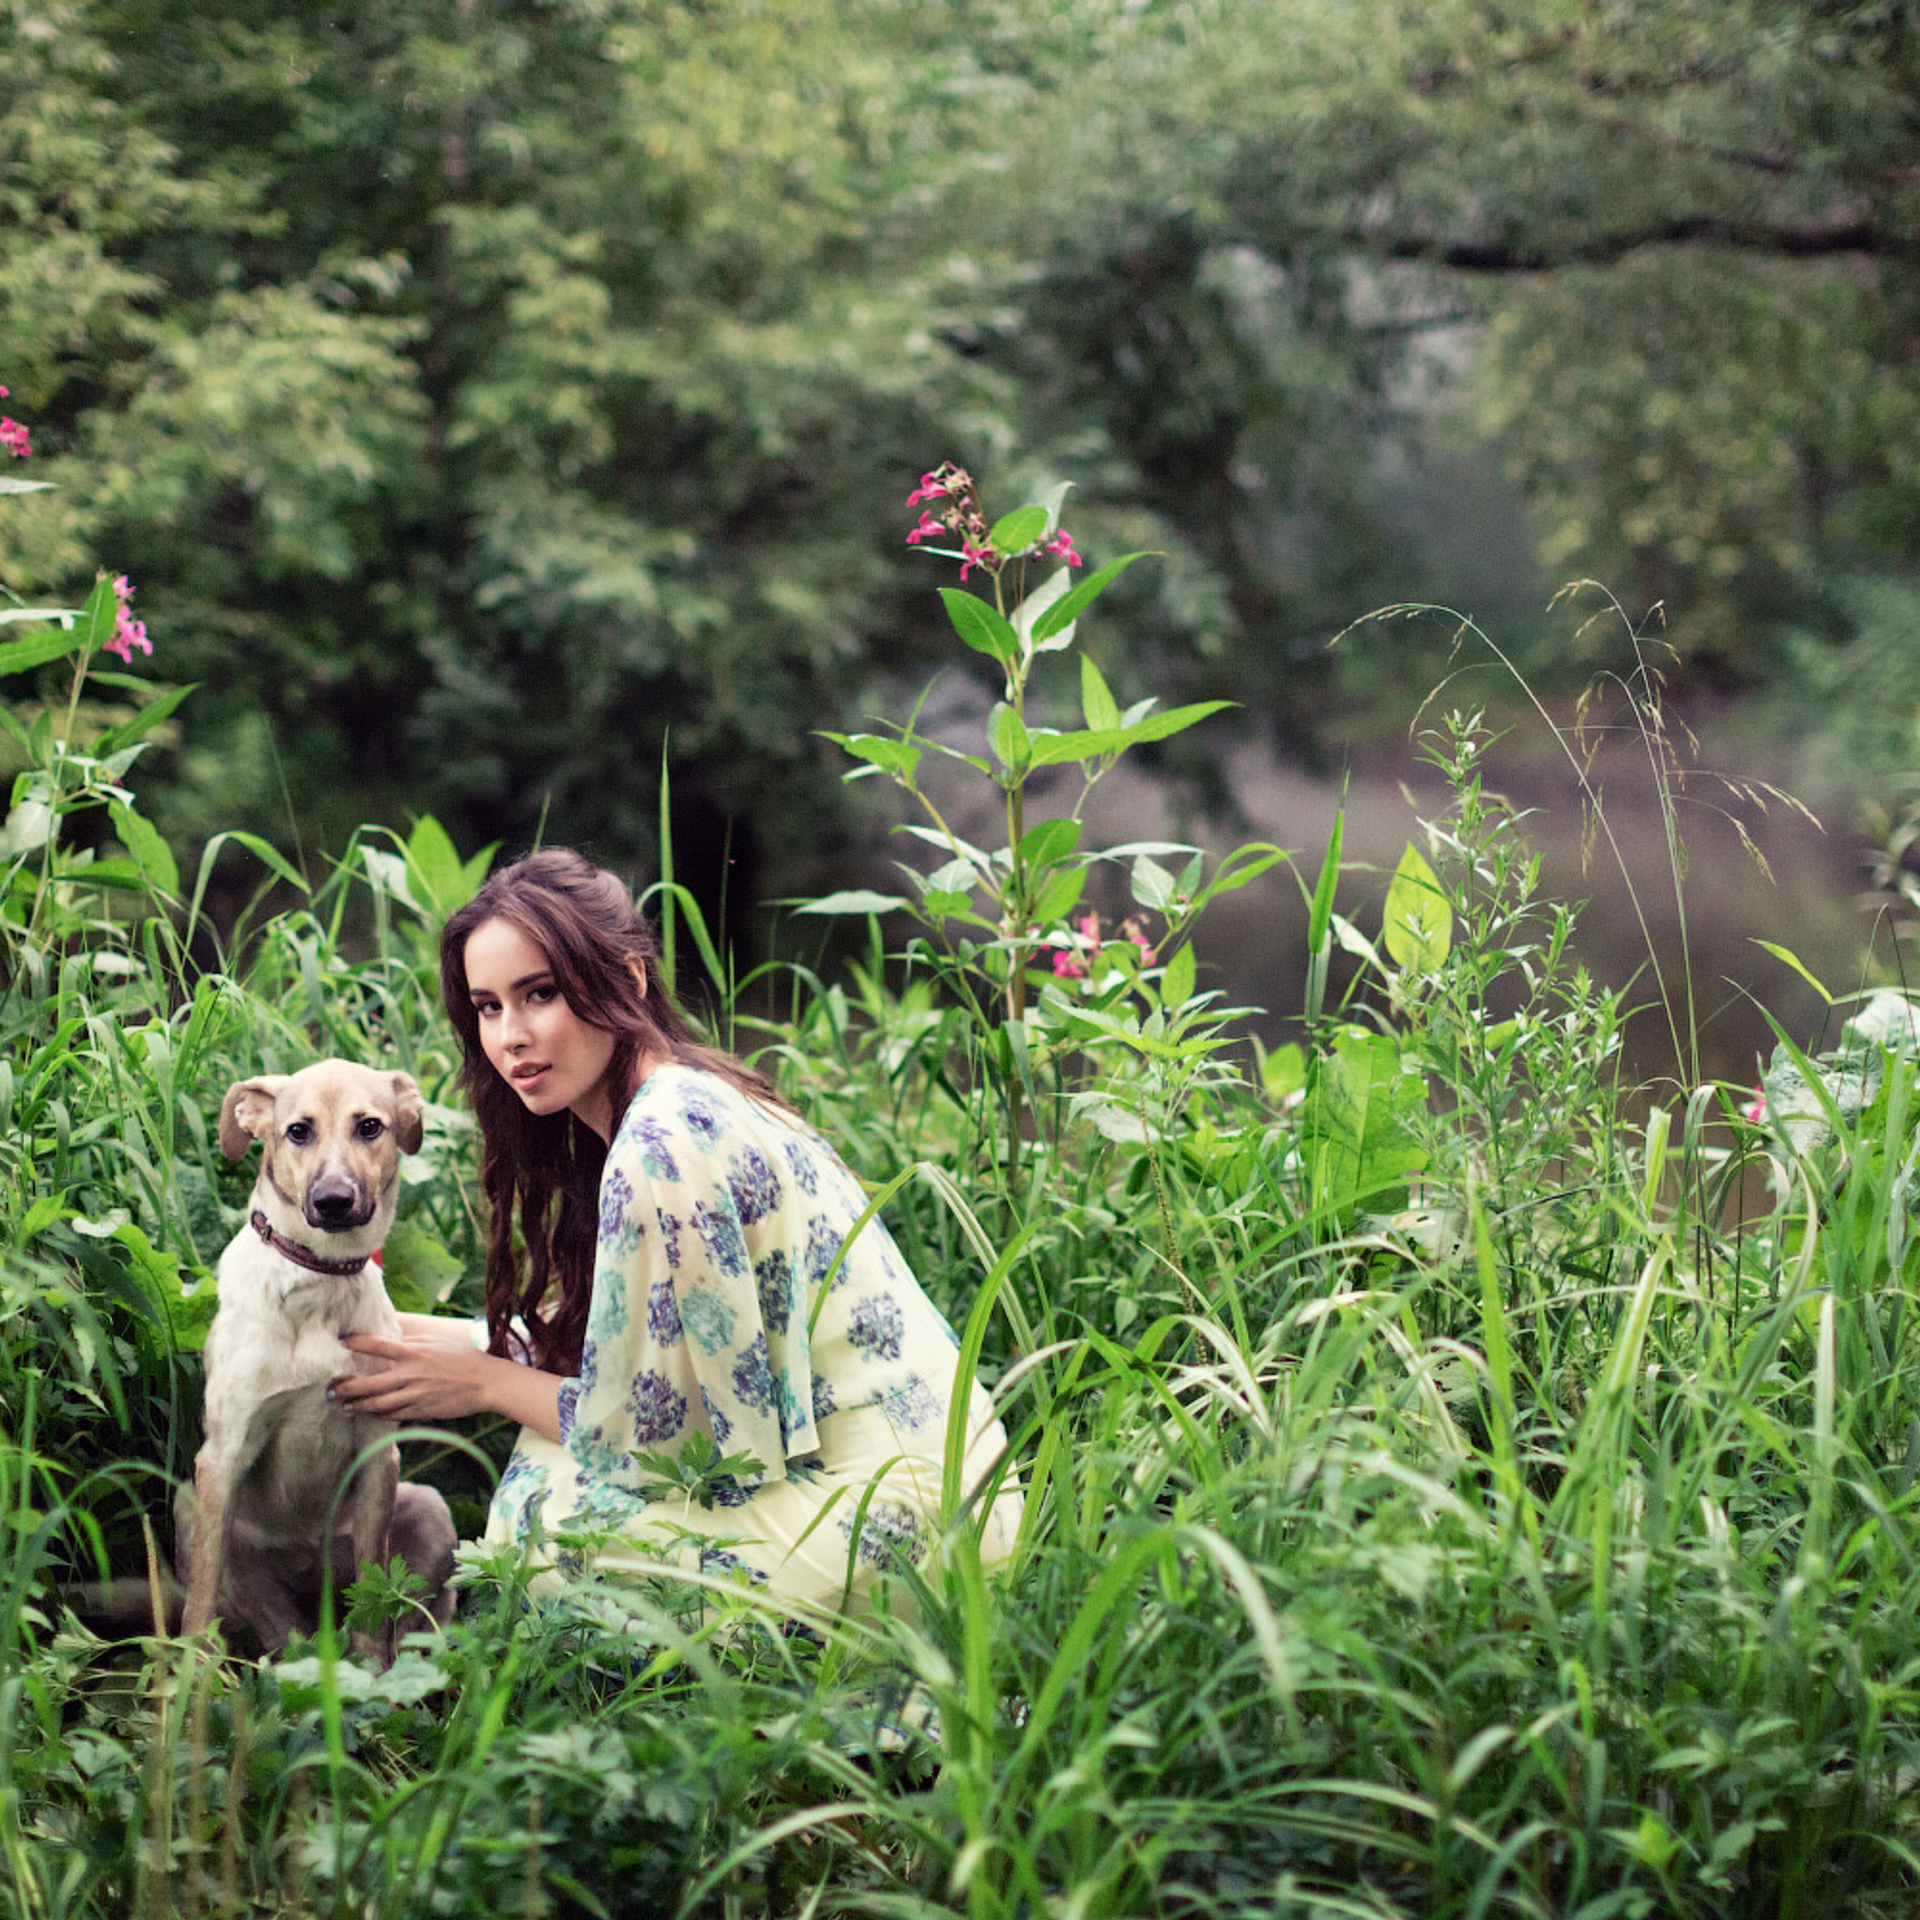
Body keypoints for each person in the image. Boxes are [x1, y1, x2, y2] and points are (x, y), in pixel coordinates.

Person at [327, 848, 1022, 1614]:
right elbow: (665, 1351)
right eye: (489, 1007)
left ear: (626, 978)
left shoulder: (661, 1143)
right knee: (549, 1470)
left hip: (904, 1518)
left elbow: (689, 1454)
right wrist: (481, 1344)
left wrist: (487, 1383)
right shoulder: (687, 1098)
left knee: (542, 1532)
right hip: (956, 1481)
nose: (510, 1035)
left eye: (540, 993)